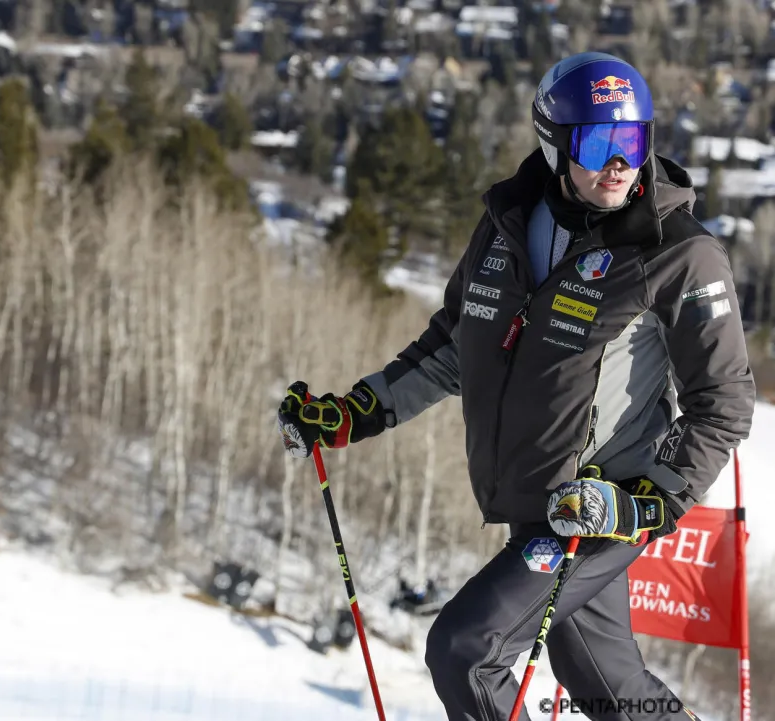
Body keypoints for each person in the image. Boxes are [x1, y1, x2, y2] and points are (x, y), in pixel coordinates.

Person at [277, 52, 753, 720]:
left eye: (634, 140)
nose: (620, 162)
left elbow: (722, 405)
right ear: (553, 144)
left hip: (597, 511)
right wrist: (356, 411)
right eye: (598, 142)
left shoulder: (675, 250)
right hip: (535, 501)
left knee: (465, 649)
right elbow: (453, 346)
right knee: (604, 682)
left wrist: (643, 502)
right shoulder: (507, 224)